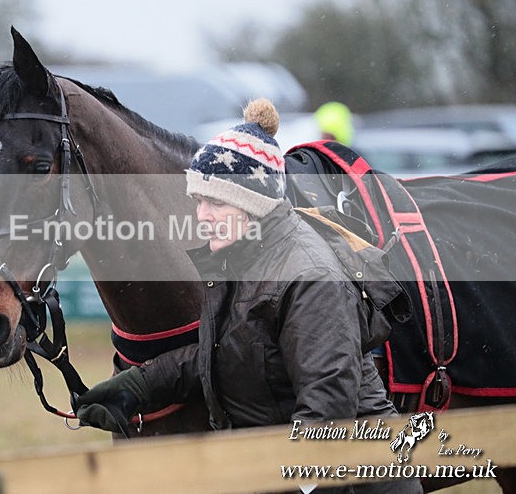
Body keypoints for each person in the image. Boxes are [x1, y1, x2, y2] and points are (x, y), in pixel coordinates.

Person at [75, 99, 421, 493]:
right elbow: (229, 353)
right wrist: (138, 386)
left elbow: (327, 408)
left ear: (253, 205)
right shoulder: (240, 256)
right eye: (198, 201)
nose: (201, 215)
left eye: (215, 202)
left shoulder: (309, 278)